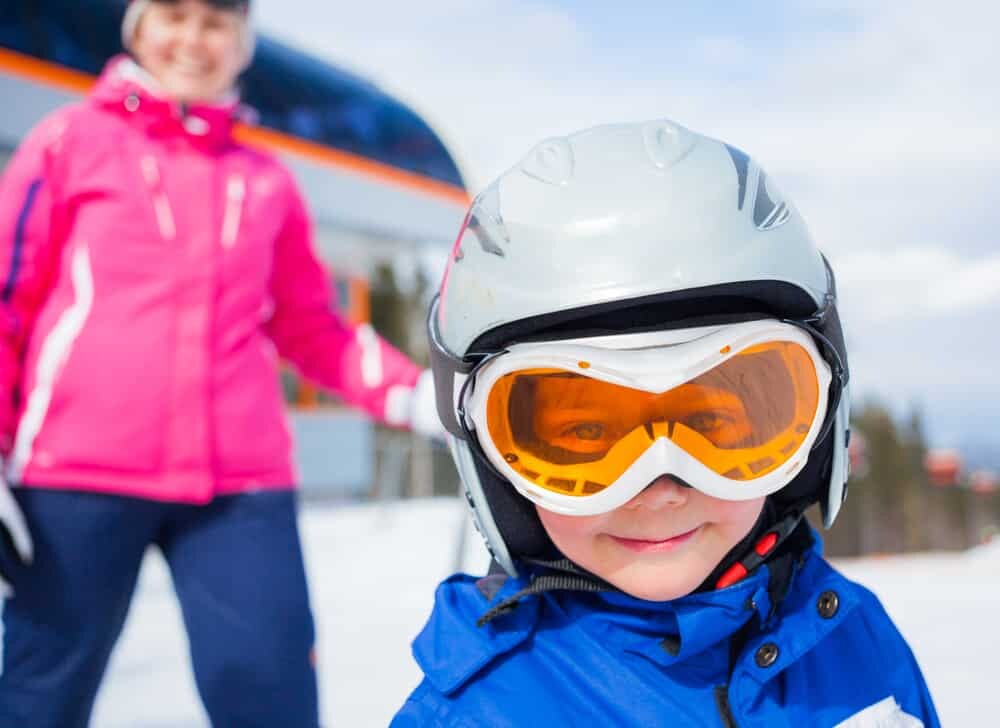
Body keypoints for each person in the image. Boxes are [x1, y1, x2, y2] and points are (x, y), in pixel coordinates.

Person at [392, 120, 939, 727]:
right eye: (587, 437)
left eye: (713, 422)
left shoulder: (853, 645)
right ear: (491, 460)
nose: (660, 487)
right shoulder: (473, 716)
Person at [0, 1, 440, 726]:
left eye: (216, 23)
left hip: (240, 483)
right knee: (40, 695)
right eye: (172, 15)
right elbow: (9, 299)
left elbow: (311, 328)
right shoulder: (67, 143)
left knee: (270, 691)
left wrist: (415, 397)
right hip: (75, 473)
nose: (192, 40)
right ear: (138, 28)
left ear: (242, 45)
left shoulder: (266, 182)